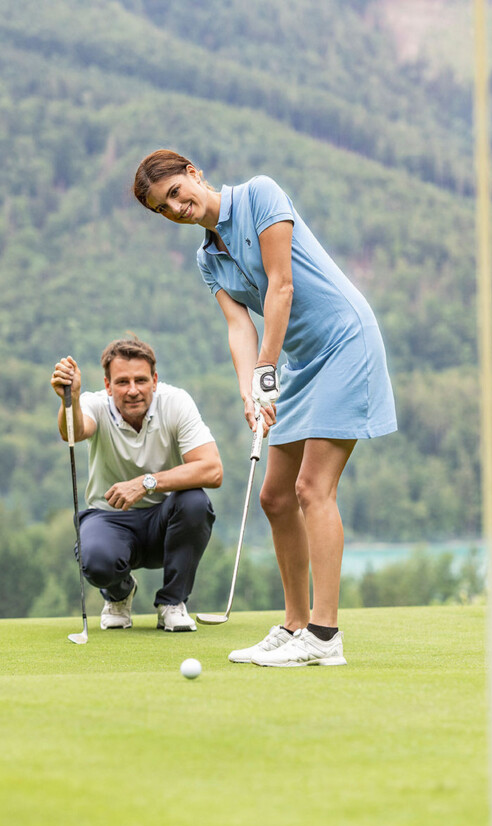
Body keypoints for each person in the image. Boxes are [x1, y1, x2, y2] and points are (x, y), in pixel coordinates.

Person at [132, 150, 397, 667]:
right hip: (296, 360)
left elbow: (282, 285)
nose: (176, 207)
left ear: (193, 173)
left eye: (175, 192)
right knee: (276, 498)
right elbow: (239, 327)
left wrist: (266, 372)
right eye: (163, 208)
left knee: (312, 489)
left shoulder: (260, 194)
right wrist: (249, 391)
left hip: (344, 341)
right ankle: (295, 625)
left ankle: (324, 636)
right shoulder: (208, 260)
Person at [51, 338, 222, 632]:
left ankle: (172, 602)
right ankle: (119, 594)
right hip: (109, 518)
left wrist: (147, 482)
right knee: (97, 562)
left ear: (154, 380)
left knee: (195, 502)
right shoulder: (94, 404)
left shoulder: (176, 402)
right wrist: (71, 400)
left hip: (165, 523)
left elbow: (212, 469)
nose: (133, 390)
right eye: (122, 382)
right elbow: (74, 432)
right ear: (107, 385)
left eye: (141, 380)